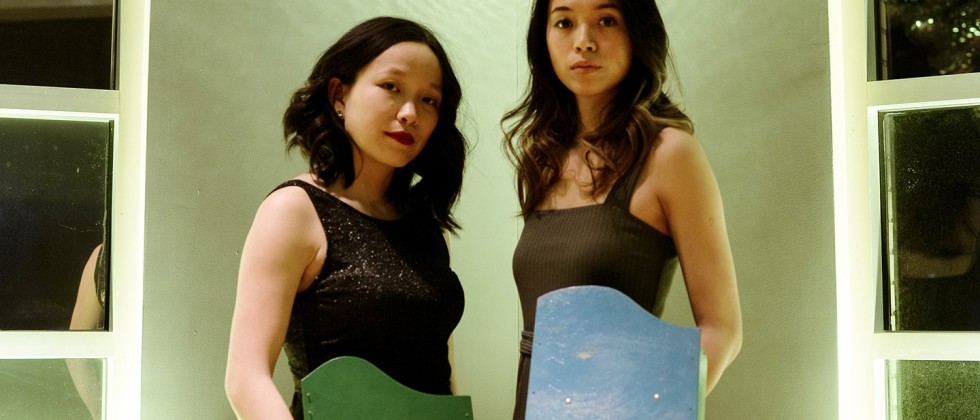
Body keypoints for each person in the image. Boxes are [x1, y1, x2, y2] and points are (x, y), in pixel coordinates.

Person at [502, 0, 743, 417]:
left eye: (606, 20)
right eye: (564, 22)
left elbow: (723, 331)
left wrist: (646, 408)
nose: (584, 41)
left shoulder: (669, 154)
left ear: (637, 33)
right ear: (543, 40)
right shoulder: (540, 155)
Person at [224, 17, 467, 420]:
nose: (410, 113)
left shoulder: (426, 226)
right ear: (339, 94)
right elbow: (246, 379)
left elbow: (443, 377)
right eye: (391, 87)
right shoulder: (295, 210)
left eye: (429, 100)